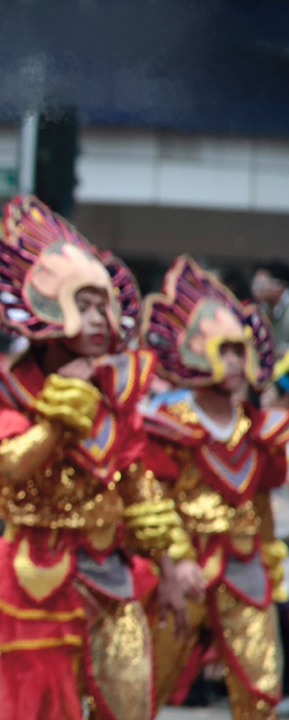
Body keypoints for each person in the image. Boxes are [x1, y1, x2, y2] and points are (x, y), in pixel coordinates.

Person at [0, 195, 187, 720]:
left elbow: (137, 483)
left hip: (112, 569)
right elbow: (9, 462)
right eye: (88, 304)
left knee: (130, 705)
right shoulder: (2, 386)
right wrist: (63, 412)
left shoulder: (117, 388)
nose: (104, 319)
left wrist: (169, 569)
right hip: (37, 576)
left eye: (107, 305)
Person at [140, 255, 287, 719]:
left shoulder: (259, 429)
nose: (235, 363)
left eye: (240, 351)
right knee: (144, 688)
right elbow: (151, 495)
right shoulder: (168, 424)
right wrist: (176, 558)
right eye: (225, 352)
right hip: (182, 574)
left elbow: (263, 499)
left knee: (261, 690)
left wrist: (267, 558)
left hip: (245, 568)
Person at [252, 261, 289, 353]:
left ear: (280, 285)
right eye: (256, 283)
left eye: (262, 284)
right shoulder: (262, 308)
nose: (257, 289)